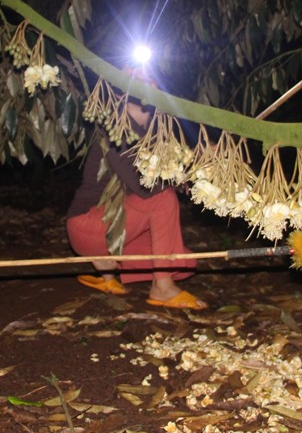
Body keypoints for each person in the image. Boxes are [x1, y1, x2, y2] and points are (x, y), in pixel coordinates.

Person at [66, 84, 207, 310]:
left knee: (184, 262)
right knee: (162, 198)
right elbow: (146, 189)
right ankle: (162, 288)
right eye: (138, 77)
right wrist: (181, 174)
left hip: (116, 229)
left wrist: (192, 167)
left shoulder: (149, 136)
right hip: (87, 226)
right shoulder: (116, 128)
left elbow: (158, 178)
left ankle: (107, 271)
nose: (147, 83)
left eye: (151, 79)